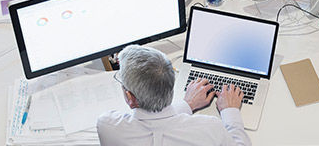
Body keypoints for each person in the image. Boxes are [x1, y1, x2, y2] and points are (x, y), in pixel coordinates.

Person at [97, 45, 250, 146]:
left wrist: (187, 105)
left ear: (130, 97)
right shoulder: (209, 129)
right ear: (172, 83)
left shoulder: (108, 126)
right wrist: (230, 111)